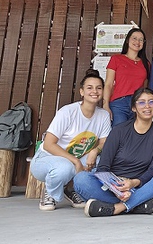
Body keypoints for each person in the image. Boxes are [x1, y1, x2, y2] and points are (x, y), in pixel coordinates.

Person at [73, 88, 153, 217]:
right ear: (134, 108)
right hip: (113, 186)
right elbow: (103, 167)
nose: (147, 106)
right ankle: (138, 205)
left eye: (151, 102)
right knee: (80, 179)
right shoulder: (119, 131)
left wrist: (133, 183)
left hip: (140, 185)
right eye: (141, 102)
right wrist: (119, 190)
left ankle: (118, 207)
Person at [30, 69, 111, 211]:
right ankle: (51, 193)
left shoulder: (103, 115)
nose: (95, 91)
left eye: (99, 88)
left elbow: (104, 142)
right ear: (81, 91)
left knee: (100, 164)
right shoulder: (67, 112)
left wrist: (94, 151)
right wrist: (75, 161)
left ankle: (71, 190)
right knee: (65, 167)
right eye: (89, 88)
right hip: (46, 159)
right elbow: (49, 144)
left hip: (77, 158)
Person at [103, 28, 151, 127]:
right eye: (134, 38)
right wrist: (105, 104)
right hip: (119, 104)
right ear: (128, 40)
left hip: (138, 104)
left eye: (141, 40)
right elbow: (108, 84)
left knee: (135, 135)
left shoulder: (146, 64)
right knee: (119, 133)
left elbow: (145, 87)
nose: (137, 42)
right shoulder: (116, 59)